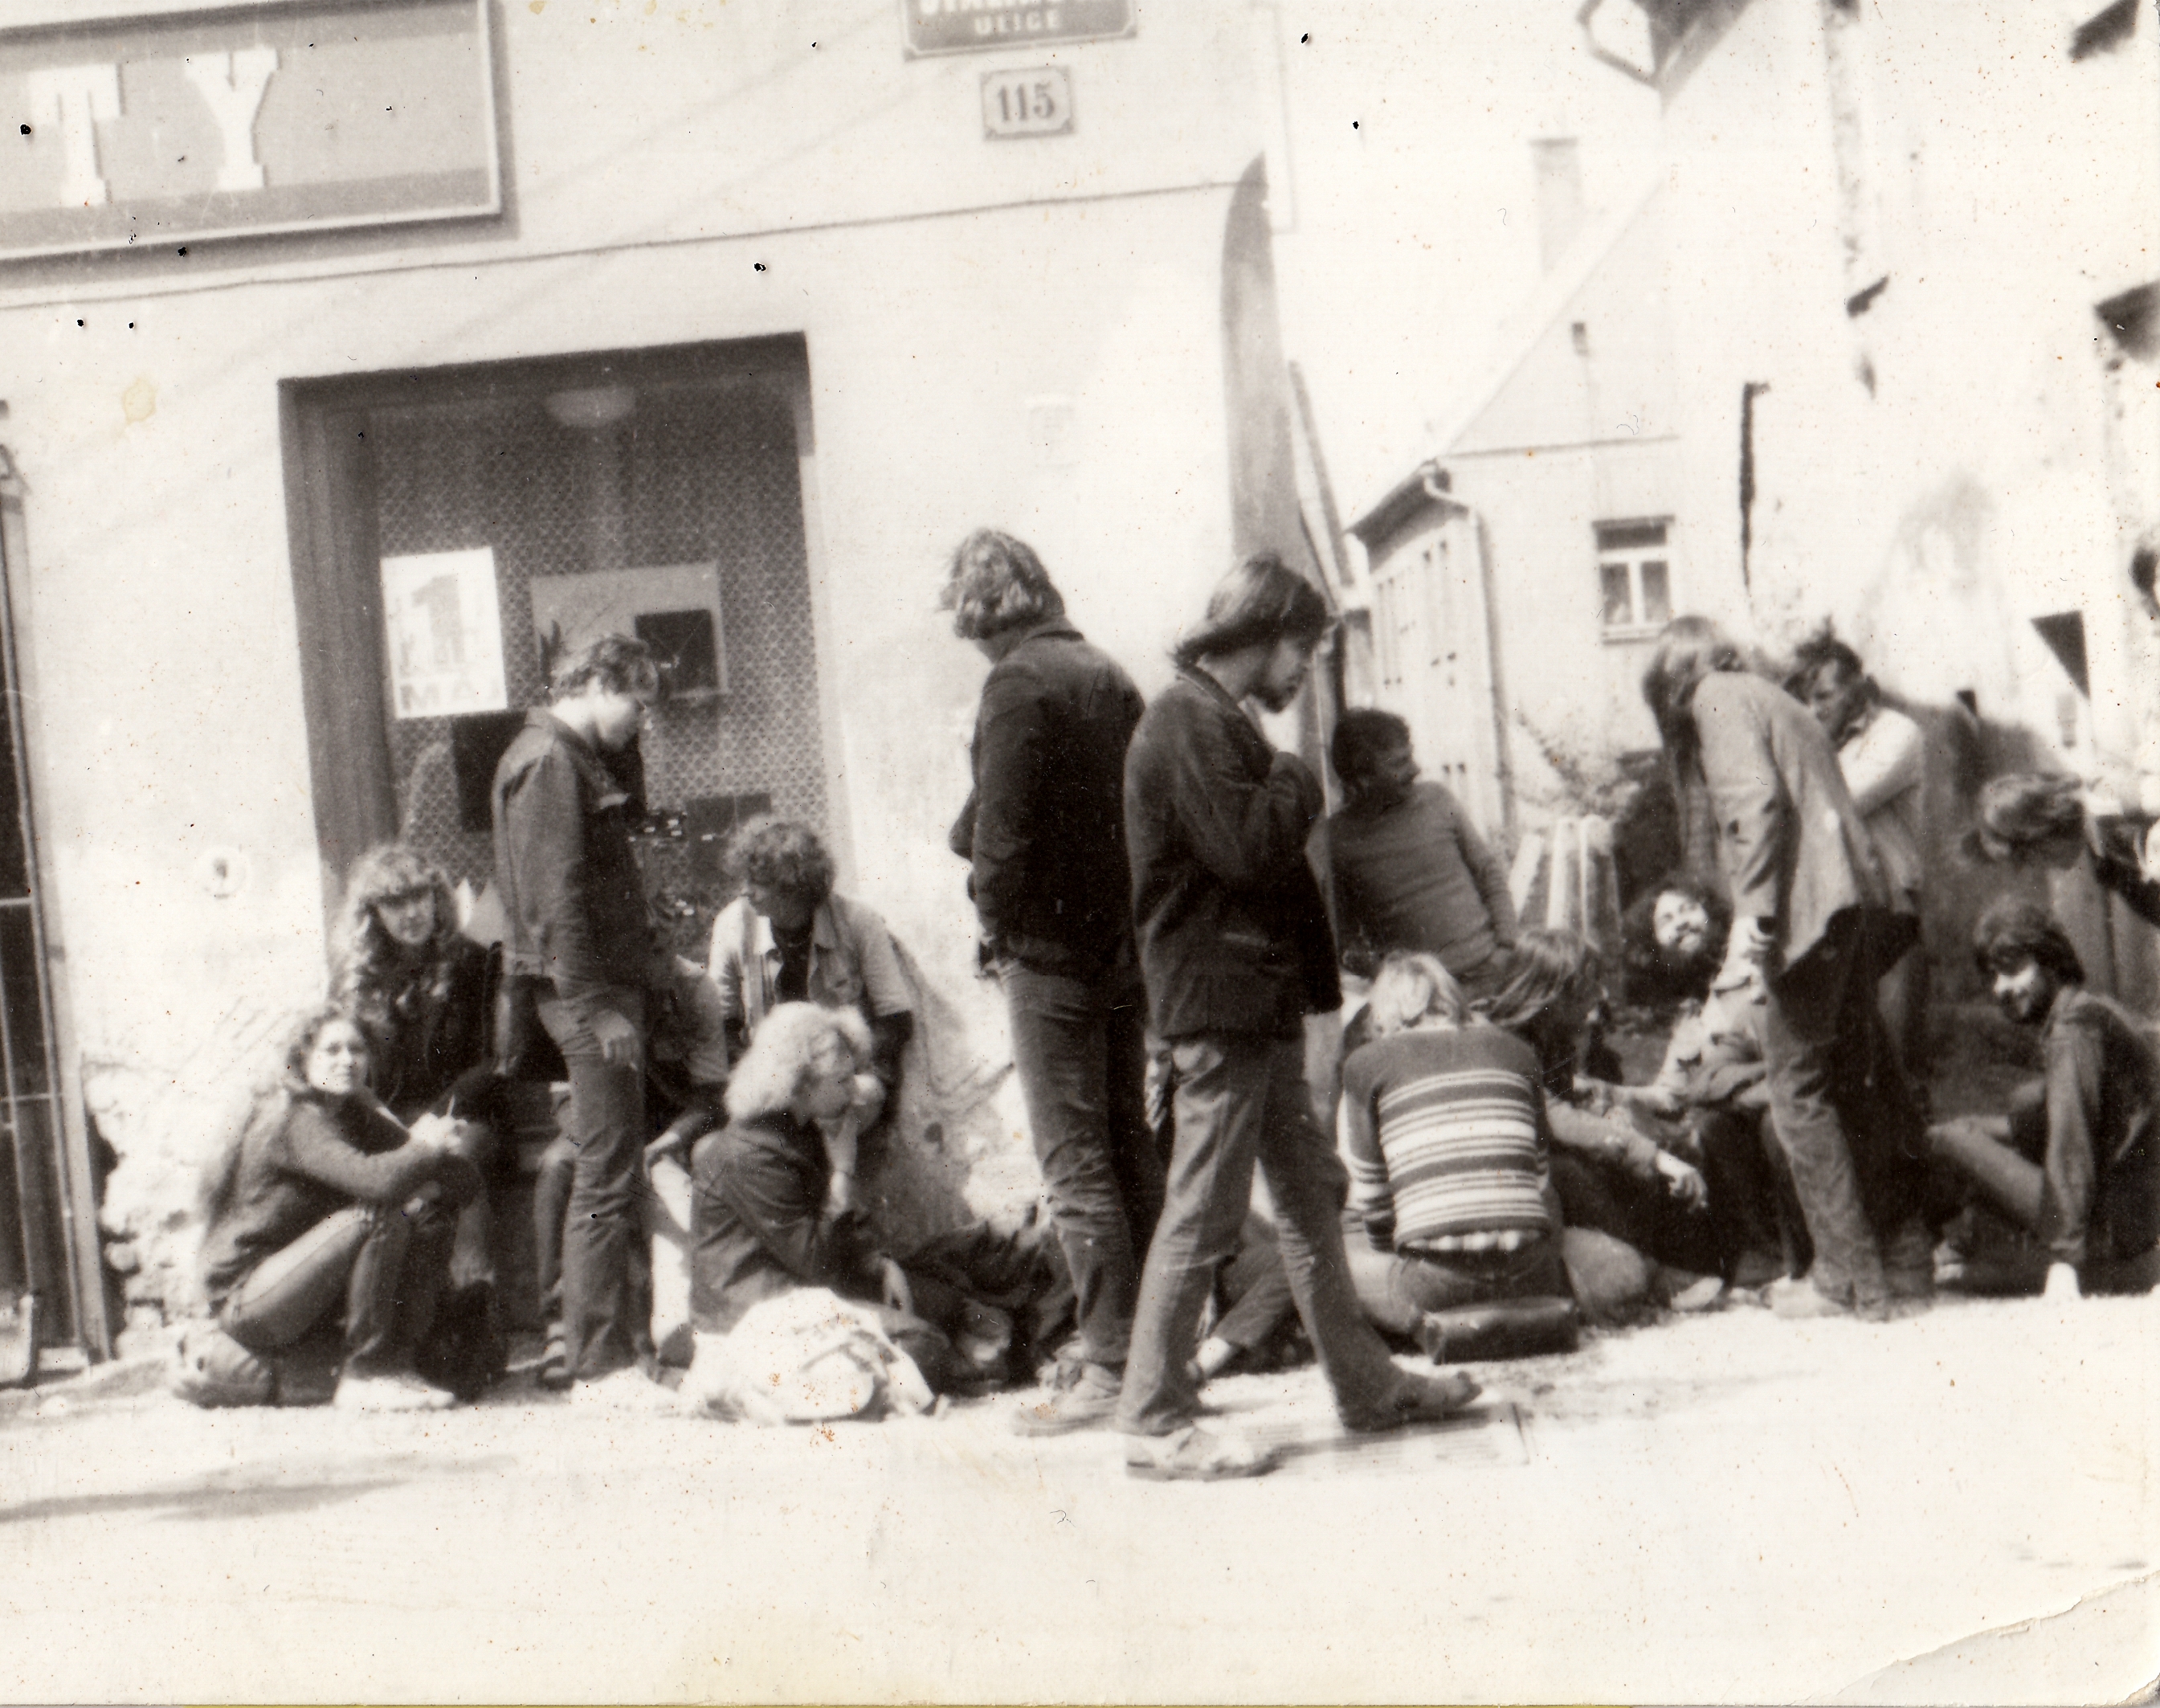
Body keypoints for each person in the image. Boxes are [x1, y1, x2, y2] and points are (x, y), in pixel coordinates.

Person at [1117, 550, 1480, 1481]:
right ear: (1266, 633)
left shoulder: (1215, 717)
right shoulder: (1188, 719)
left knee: (1311, 1195)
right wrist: (1294, 774)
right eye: (1304, 650)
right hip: (1221, 1008)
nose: (1305, 670)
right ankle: (1154, 1419)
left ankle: (1367, 1386)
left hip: (1253, 1003)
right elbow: (1247, 849)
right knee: (1203, 1206)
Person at [937, 528, 1162, 1436]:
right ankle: (1155, 1349)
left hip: (1049, 953)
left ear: (980, 614)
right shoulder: (1107, 673)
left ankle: (1107, 1363)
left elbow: (999, 840)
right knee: (1126, 1143)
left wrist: (994, 929)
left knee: (1073, 1161)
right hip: (1120, 947)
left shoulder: (1016, 682)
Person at [1643, 615, 1929, 1318]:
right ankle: (1900, 1262)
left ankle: (1844, 1278)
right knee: (1854, 1085)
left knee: (1797, 1091)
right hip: (1854, 904)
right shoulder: (1772, 696)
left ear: (1673, 683)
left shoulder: (1713, 697)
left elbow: (1753, 805)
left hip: (1809, 912)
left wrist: (1752, 919)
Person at [688, 1002, 1071, 1392]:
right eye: (842, 1081)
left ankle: (1012, 1344)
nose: (854, 1091)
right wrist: (843, 1171)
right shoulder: (750, 1155)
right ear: (801, 1084)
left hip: (819, 1289)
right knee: (925, 1342)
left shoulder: (799, 1129)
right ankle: (998, 1357)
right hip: (762, 1313)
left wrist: (880, 1263)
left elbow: (844, 1237)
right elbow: (816, 1263)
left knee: (959, 1286)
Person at [491, 632, 675, 1407]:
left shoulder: (568, 756)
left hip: (594, 989)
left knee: (607, 1167)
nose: (642, 721)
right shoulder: (549, 762)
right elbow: (555, 902)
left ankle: (610, 1350)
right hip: (585, 996)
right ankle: (600, 1365)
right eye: (637, 702)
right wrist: (597, 1011)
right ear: (597, 683)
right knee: (603, 1172)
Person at [197, 1006, 482, 1412]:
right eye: (331, 1050)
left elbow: (464, 1180)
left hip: (304, 1284)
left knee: (424, 1216)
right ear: (302, 1060)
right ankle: (367, 1375)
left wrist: (421, 1167)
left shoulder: (353, 1114)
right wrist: (424, 1149)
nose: (347, 1060)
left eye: (357, 1049)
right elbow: (379, 1182)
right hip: (251, 1297)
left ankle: (398, 1364)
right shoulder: (296, 1120)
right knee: (377, 1215)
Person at [1339, 954, 1579, 1361]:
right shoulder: (1518, 1052)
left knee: (1332, 1258)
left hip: (1435, 1284)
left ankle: (1416, 1322)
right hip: (1531, 1274)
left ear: (1384, 1011)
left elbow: (1373, 1200)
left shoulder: (1365, 1066)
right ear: (1452, 999)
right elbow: (1540, 1182)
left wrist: (1392, 1259)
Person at [1480, 930, 1725, 1317]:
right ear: (1557, 992)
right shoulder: (1501, 1041)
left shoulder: (1552, 1037)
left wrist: (1619, 1128)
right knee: (1572, 1172)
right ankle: (1652, 1277)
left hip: (1532, 1157)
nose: (1601, 995)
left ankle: (1663, 1267)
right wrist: (1653, 1156)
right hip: (1496, 1173)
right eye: (1590, 985)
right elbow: (1554, 1117)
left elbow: (1566, 1106)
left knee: (1618, 1151)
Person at [1928, 901, 2158, 1298]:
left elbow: (2071, 1141)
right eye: (1993, 975)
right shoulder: (2091, 1009)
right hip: (2138, 1213)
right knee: (2014, 1106)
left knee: (1948, 1139)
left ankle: (1936, 1249)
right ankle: (1965, 1244)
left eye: (2013, 969)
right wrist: (1976, 1129)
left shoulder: (2072, 1033)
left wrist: (2065, 1259)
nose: (2000, 988)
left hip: (2116, 1229)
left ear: (2051, 961)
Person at [329, 844, 505, 1326]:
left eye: (418, 897)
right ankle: (377, 1321)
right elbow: (346, 1066)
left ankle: (474, 1311)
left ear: (436, 898)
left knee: (455, 1163)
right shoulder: (356, 980)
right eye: (394, 903)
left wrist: (435, 1118)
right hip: (385, 1119)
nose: (410, 913)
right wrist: (388, 1123)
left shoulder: (472, 963)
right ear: (373, 914)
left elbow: (493, 1060)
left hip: (463, 1114)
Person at [706, 816, 914, 1203]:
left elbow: (895, 1017)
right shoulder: (732, 924)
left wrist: (864, 1077)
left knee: (845, 1115)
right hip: (772, 1083)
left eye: (757, 882)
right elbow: (721, 1021)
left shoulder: (858, 921)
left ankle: (838, 1214)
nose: (745, 891)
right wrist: (758, 1082)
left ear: (792, 886)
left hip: (842, 1080)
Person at [1788, 627, 1930, 1076]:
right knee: (1847, 1064)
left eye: (1825, 696)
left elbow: (1835, 802)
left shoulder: (1896, 733)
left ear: (1858, 688)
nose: (1814, 709)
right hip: (1835, 912)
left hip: (1890, 910)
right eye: (1806, 700)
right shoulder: (1819, 743)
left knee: (1897, 1063)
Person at [1310, 709, 1520, 999]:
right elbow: (1343, 938)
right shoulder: (1337, 838)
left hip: (1491, 972)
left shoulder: (1437, 799)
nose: (1416, 769)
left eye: (1410, 756)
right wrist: (1388, 976)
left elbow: (1489, 873)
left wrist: (1505, 949)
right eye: (1400, 763)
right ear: (1363, 778)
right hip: (1421, 997)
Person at [1965, 772, 2160, 932]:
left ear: (2040, 828)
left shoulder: (2108, 803)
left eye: (2026, 858)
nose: (2038, 867)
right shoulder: (2106, 866)